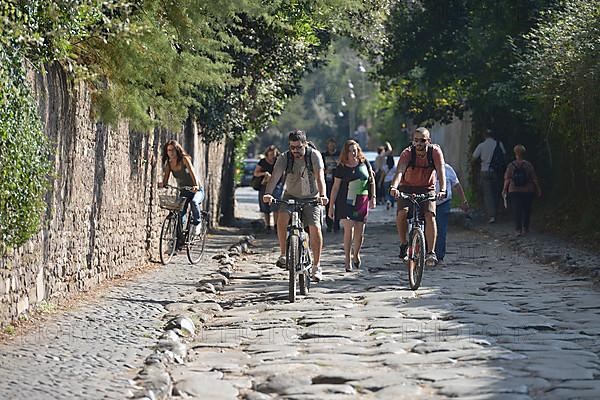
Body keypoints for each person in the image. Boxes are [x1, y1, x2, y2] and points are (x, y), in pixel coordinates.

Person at [262, 130, 328, 282]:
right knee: (281, 218)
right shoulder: (285, 158)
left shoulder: (314, 156)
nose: (295, 151)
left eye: (298, 147)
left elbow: (320, 177)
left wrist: (323, 195)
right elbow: (275, 176)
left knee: (315, 227)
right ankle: (284, 254)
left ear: (305, 144)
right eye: (292, 147)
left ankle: (317, 266)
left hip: (312, 197)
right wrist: (269, 193)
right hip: (291, 196)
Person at [389, 127, 446, 267]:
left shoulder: (435, 152)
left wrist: (443, 189)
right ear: (412, 141)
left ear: (429, 141)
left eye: (423, 140)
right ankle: (403, 243)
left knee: (430, 214)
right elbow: (400, 172)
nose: (419, 144)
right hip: (407, 187)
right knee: (402, 212)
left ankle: (431, 252)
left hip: (427, 188)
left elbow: (441, 170)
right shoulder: (407, 153)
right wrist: (394, 187)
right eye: (416, 140)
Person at [328, 140, 376, 272]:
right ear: (346, 152)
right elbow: (335, 187)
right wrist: (331, 205)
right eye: (350, 151)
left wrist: (373, 197)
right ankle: (347, 259)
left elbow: (371, 180)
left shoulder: (364, 163)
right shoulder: (341, 167)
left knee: (360, 233)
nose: (353, 153)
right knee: (349, 230)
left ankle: (356, 254)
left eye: (355, 150)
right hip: (346, 201)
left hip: (362, 200)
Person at [159, 140, 205, 237]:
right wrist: (162, 184)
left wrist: (196, 186)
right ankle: (180, 241)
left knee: (194, 202)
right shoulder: (169, 164)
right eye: (168, 150)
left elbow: (193, 172)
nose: (170, 152)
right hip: (184, 191)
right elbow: (165, 180)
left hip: (196, 190)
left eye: (172, 150)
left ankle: (197, 224)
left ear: (177, 150)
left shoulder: (184, 159)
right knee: (180, 213)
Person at [502, 144, 542, 236]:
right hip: (528, 190)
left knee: (517, 210)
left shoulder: (511, 165)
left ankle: (518, 229)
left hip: (514, 190)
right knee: (527, 209)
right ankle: (526, 228)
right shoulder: (528, 165)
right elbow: (534, 178)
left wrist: (504, 189)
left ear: (515, 153)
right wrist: (538, 188)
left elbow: (507, 179)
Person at [434, 163, 469, 266]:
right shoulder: (425, 167)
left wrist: (464, 200)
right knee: (427, 228)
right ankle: (427, 252)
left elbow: (456, 185)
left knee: (441, 229)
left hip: (443, 203)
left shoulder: (447, 168)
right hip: (427, 202)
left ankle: (439, 256)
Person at [472, 129, 506, 223]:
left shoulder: (481, 145)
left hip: (485, 171)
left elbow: (474, 157)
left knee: (488, 194)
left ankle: (492, 216)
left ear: (484, 135)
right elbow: (504, 156)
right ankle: (500, 211)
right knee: (497, 191)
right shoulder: (499, 144)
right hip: (497, 171)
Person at [253, 145, 281, 233]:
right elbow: (256, 173)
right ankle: (268, 226)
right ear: (267, 154)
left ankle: (276, 226)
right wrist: (264, 174)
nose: (273, 156)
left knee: (275, 206)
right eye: (271, 154)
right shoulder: (262, 162)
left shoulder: (278, 162)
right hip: (264, 186)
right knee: (265, 207)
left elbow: (283, 174)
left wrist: (280, 183)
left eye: (274, 154)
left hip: (275, 186)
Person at [322, 138, 341, 233]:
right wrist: (325, 171)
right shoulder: (323, 155)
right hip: (327, 182)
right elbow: (319, 168)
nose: (331, 146)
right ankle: (329, 224)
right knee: (328, 204)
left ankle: (337, 224)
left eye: (333, 144)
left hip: (338, 181)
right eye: (330, 144)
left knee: (338, 204)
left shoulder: (340, 154)